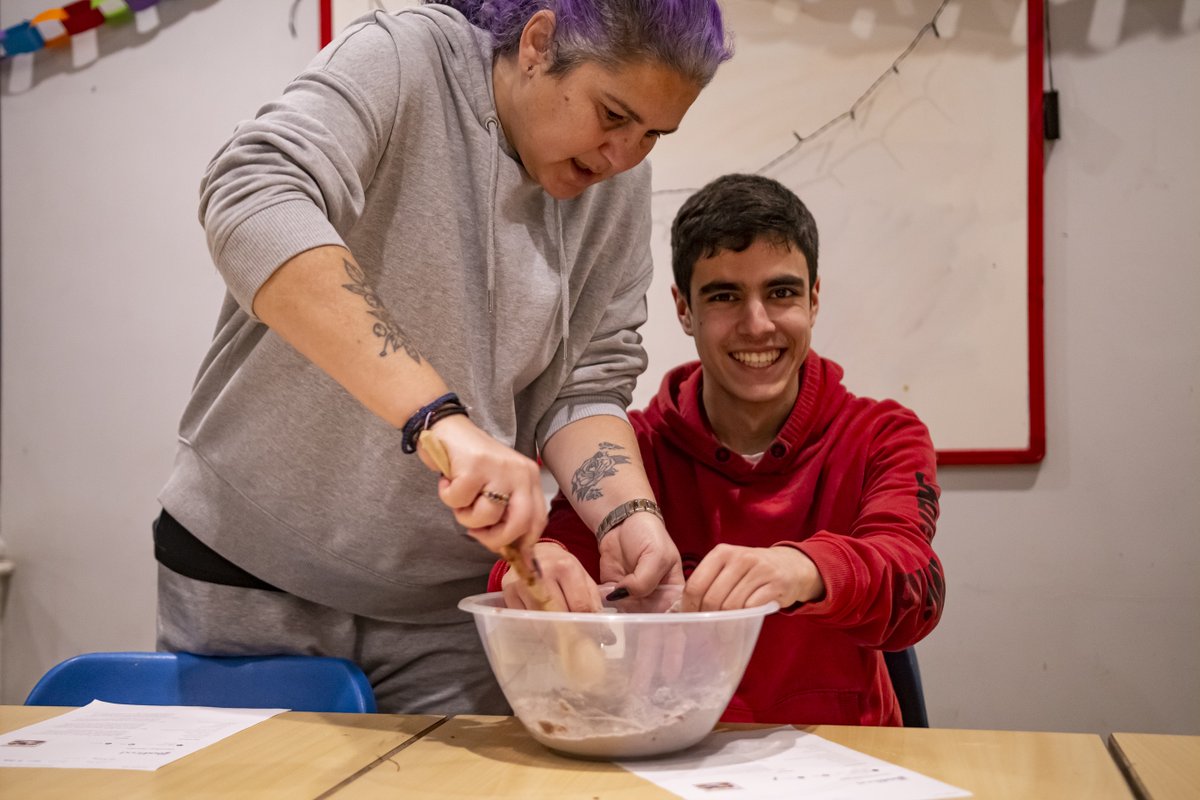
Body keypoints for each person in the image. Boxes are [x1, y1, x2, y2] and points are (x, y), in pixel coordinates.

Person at [153, 0, 732, 715]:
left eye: (653, 134)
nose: (623, 156)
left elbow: (586, 383)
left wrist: (627, 514)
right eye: (613, 116)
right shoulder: (406, 58)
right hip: (251, 568)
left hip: (444, 607)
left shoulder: (618, 188)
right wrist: (438, 417)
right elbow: (252, 193)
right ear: (539, 42)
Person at [494, 174, 946, 726]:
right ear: (684, 309)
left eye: (781, 293)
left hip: (846, 756)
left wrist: (802, 568)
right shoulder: (625, 453)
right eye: (725, 296)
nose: (757, 325)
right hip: (672, 753)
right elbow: (548, 560)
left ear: (814, 298)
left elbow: (914, 590)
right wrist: (532, 571)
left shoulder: (882, 435)